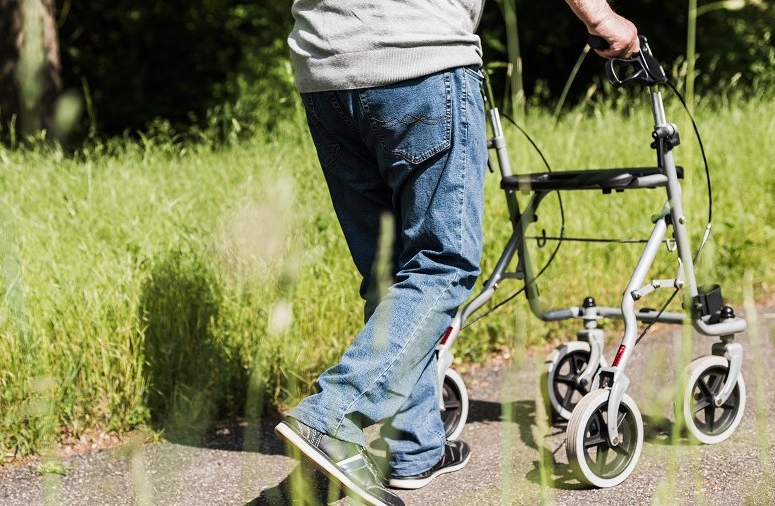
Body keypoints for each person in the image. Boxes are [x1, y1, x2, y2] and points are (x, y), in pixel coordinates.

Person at [274, 1, 639, 505]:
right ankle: (333, 416)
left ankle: (414, 448)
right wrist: (602, 19)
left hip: (324, 66)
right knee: (443, 265)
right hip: (418, 58)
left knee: (390, 272)